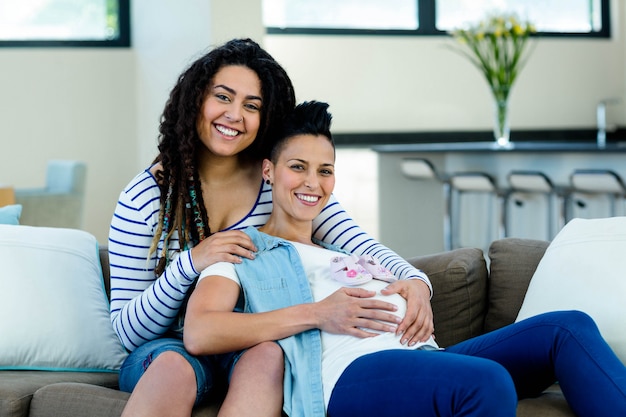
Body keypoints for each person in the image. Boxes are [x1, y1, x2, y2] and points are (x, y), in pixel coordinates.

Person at [185, 100, 626, 417]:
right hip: (349, 375)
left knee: (566, 327)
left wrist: (416, 285)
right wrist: (318, 314)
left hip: (428, 358)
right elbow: (201, 331)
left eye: (325, 170)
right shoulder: (244, 249)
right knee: (488, 382)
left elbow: (405, 277)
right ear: (269, 171)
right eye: (297, 166)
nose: (312, 183)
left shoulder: (343, 248)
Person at [108, 39, 434, 417]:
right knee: (173, 367)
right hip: (167, 348)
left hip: (252, 338)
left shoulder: (280, 182)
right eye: (223, 97)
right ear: (195, 99)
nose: (234, 115)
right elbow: (127, 331)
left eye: (252, 106)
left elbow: (360, 244)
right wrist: (191, 263)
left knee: (268, 356)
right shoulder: (146, 196)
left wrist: (417, 282)